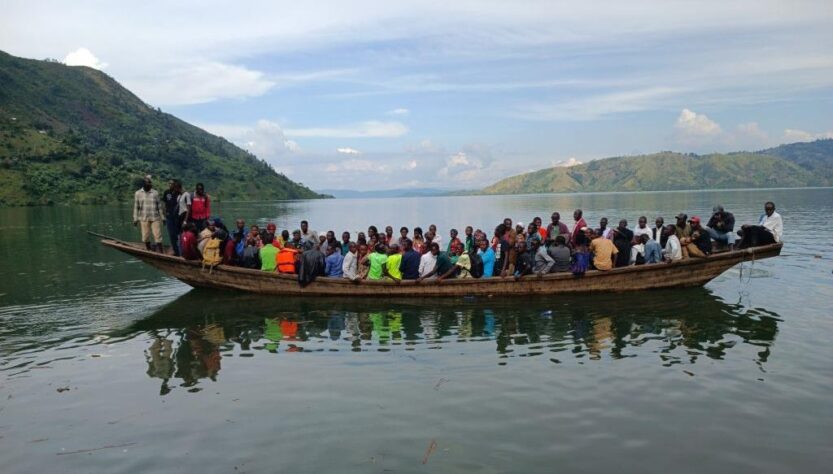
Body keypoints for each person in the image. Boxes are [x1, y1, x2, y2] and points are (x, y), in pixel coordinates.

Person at [133, 175, 165, 252]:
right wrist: (135, 219)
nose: (150, 184)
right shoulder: (138, 193)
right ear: (144, 184)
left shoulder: (155, 193)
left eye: (150, 183)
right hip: (144, 218)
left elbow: (159, 206)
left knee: (158, 236)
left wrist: (163, 218)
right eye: (148, 183)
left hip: (155, 217)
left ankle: (161, 252)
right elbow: (136, 207)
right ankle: (149, 250)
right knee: (145, 236)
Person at [162, 179, 182, 256]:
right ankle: (176, 251)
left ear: (175, 185)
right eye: (169, 183)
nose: (170, 185)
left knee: (179, 234)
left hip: (178, 217)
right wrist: (164, 213)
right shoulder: (166, 192)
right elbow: (164, 203)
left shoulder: (178, 193)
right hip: (169, 216)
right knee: (172, 234)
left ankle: (181, 251)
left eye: (172, 183)